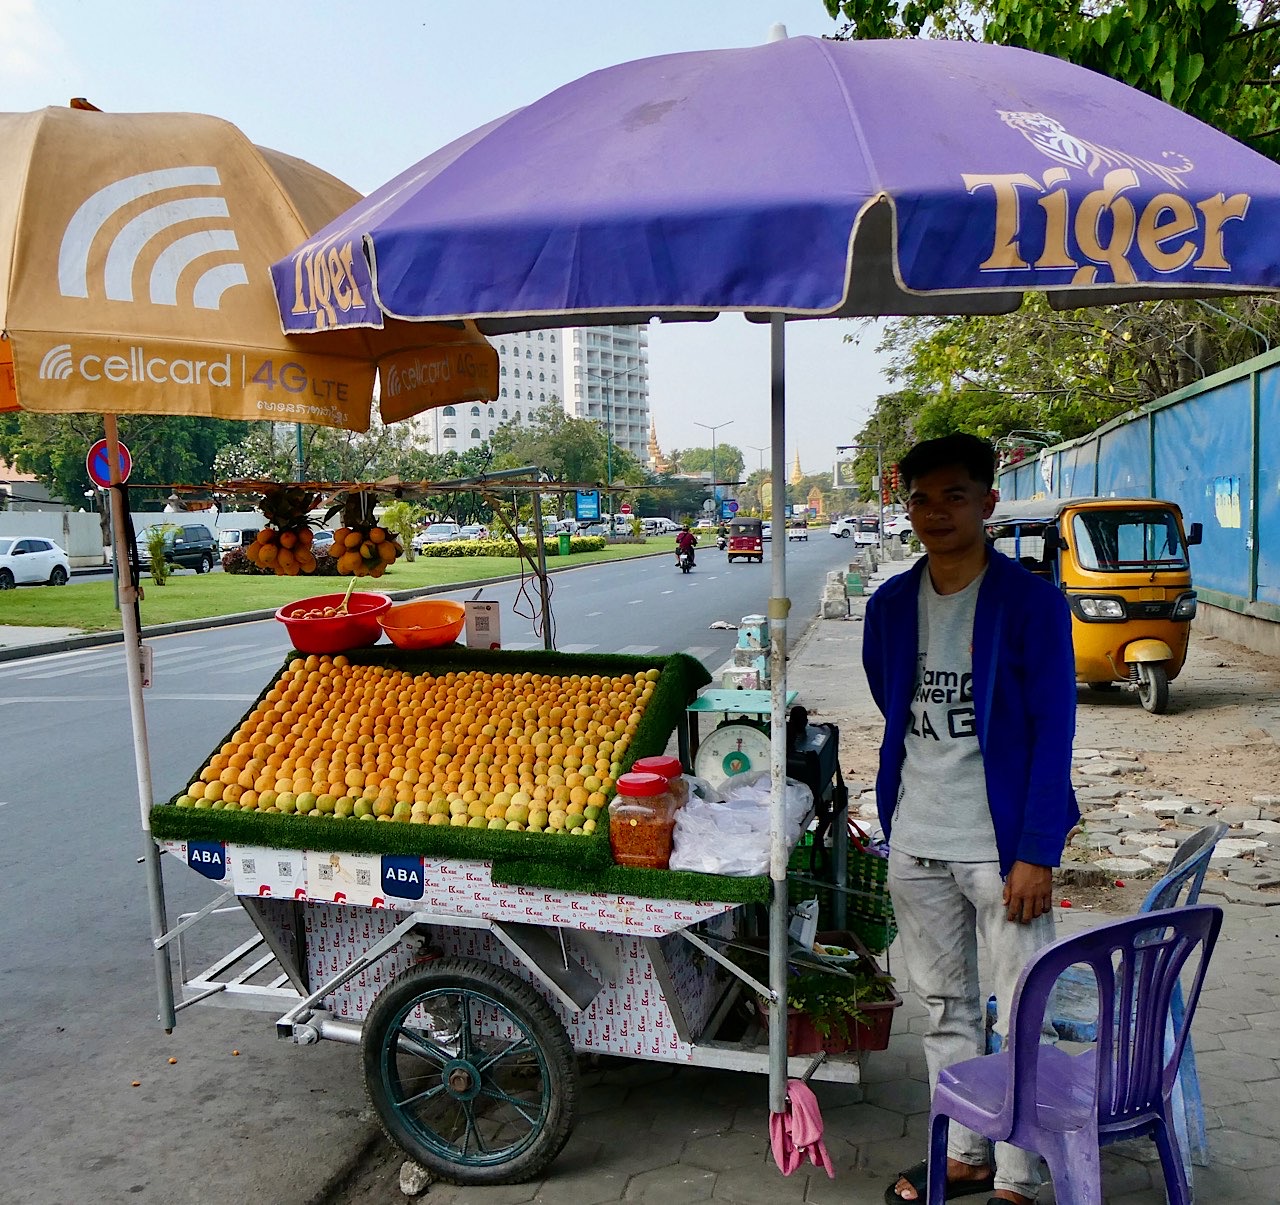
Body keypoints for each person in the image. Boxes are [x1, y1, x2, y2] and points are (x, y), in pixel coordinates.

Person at [862, 433, 1078, 1205]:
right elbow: (894, 703)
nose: (937, 512)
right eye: (922, 497)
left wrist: (1036, 849)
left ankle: (1020, 1175)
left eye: (956, 495)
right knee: (946, 1008)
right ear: (906, 505)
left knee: (1024, 1006)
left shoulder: (1032, 603)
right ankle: (965, 1153)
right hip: (917, 839)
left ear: (988, 502)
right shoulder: (889, 605)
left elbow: (1055, 731)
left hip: (1002, 850)